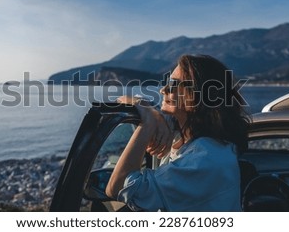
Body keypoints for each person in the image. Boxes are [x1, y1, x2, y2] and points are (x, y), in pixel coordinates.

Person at [105, 54, 250, 211]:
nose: (163, 90)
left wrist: (147, 124)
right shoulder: (180, 128)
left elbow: (116, 188)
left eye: (173, 84)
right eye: (167, 82)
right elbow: (121, 99)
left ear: (196, 96)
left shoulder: (205, 160)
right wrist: (146, 108)